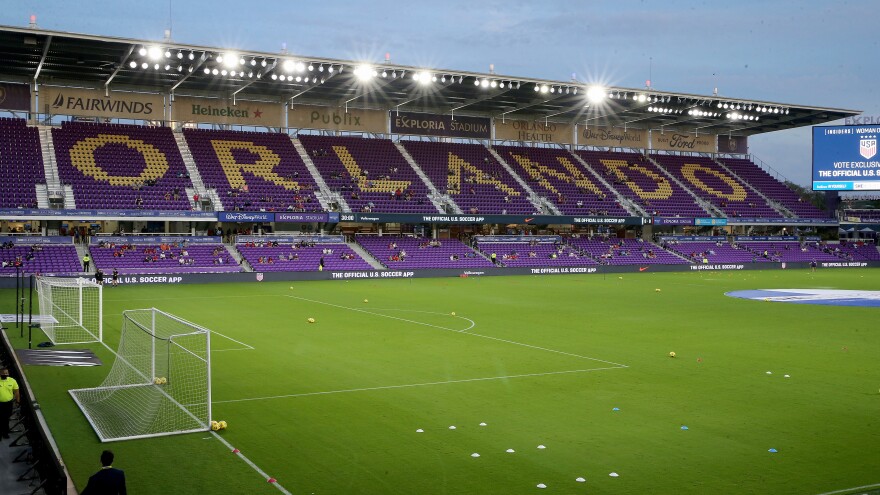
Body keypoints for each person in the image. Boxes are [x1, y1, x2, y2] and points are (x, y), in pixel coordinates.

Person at [0, 368, 20, 439]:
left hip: (8, 404)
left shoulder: (12, 381)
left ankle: (5, 433)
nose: (5, 374)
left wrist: (17, 401)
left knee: (6, 418)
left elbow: (16, 391)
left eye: (6, 373)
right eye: (3, 373)